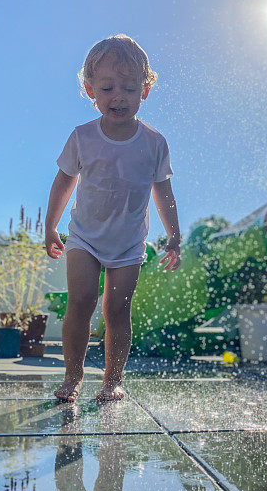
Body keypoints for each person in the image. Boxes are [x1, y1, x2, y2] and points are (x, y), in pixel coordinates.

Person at [44, 34, 181, 403]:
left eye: (129, 87)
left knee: (117, 310)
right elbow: (63, 182)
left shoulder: (154, 142)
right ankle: (73, 377)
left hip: (129, 241)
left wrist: (174, 236)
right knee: (81, 301)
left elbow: (162, 192)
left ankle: (111, 380)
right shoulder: (82, 137)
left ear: (145, 91)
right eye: (107, 87)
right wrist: (50, 226)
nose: (117, 95)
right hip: (84, 237)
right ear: (90, 90)